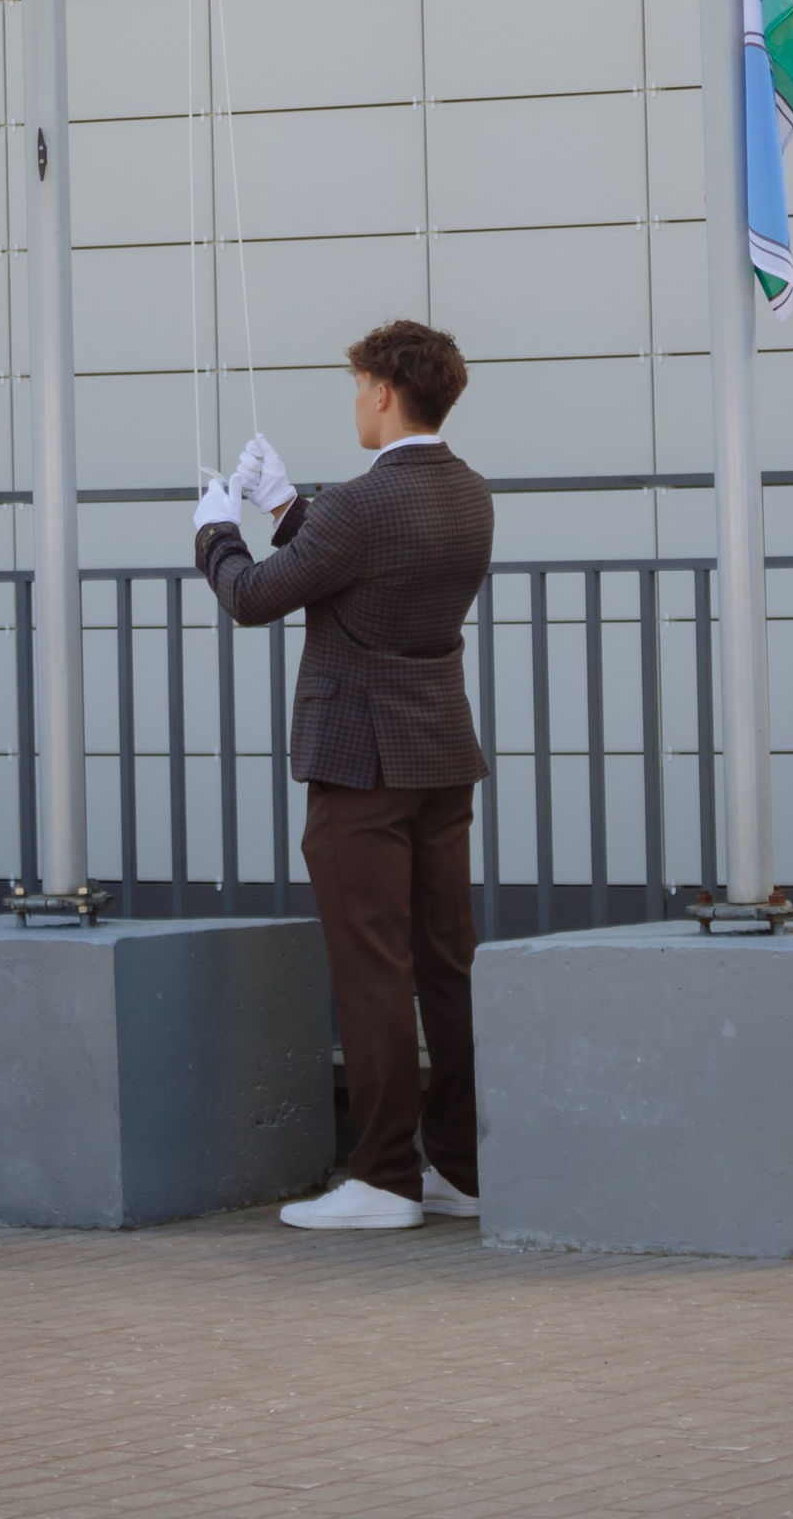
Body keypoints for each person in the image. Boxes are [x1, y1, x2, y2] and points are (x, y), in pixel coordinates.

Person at [195, 319, 494, 1234]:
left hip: (360, 762)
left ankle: (384, 1177)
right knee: (445, 966)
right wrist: (287, 507)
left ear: (381, 391)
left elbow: (254, 598)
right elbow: (362, 572)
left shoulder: (366, 506)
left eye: (357, 384)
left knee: (371, 968)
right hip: (439, 754)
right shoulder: (471, 495)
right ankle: (456, 1166)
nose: (354, 400)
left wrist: (218, 529)